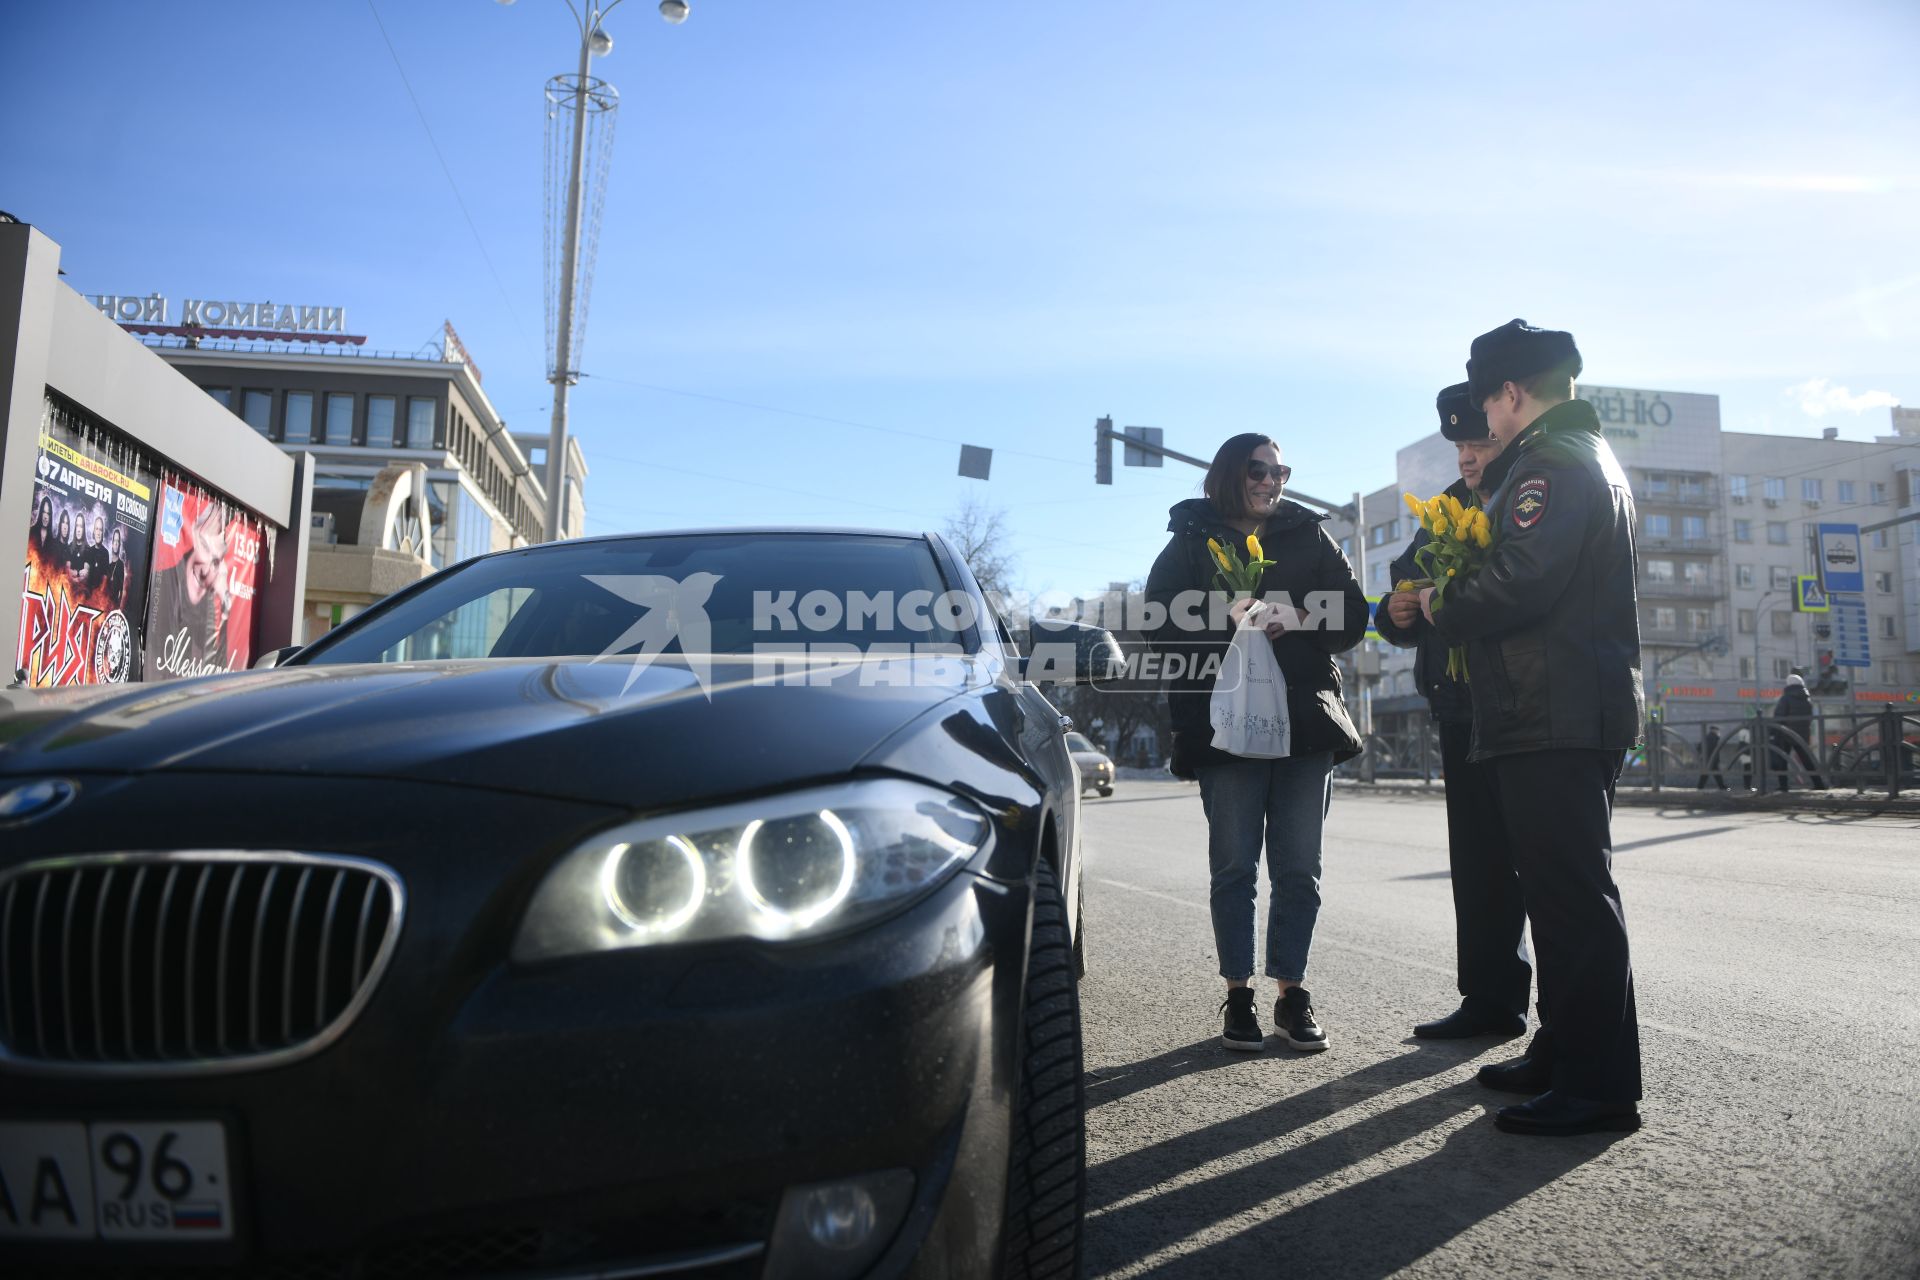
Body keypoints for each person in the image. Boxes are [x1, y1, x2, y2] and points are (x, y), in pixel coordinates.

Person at [1419, 319, 1644, 1137]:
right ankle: (1565, 1049)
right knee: (1559, 900)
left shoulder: (1547, 465)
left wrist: (1442, 602)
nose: (1487, 416)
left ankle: (1597, 1085)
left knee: (1573, 902)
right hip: (1559, 704)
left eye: (1487, 398)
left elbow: (1519, 580)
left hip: (1553, 710)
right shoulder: (1578, 455)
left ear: (1511, 393)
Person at [1146, 433, 1367, 1053]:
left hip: (1306, 722)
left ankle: (1291, 994)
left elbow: (1353, 614)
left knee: (1299, 868)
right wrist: (1227, 614)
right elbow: (1158, 620)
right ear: (1228, 475)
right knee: (1235, 866)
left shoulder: (1307, 534)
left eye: (1281, 470)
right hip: (1225, 725)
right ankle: (1238, 994)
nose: (1274, 480)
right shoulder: (1191, 538)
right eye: (1260, 470)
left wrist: (1295, 616)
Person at [1377, 384, 1531, 1041]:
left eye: (1479, 442)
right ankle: (1486, 1000)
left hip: (1517, 703)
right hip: (1457, 705)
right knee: (1475, 862)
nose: (1467, 457)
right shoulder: (1443, 508)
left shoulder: (1525, 497)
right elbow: (1405, 591)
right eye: (1461, 446)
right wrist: (1396, 613)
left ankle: (1554, 1017)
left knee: (1530, 861)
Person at [145, 503, 232, 680]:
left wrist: (224, 610)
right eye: (205, 547)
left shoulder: (208, 612)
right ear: (193, 532)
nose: (206, 569)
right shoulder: (162, 585)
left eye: (215, 561)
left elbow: (220, 678)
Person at [1768, 674, 1828, 790]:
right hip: (1802, 734)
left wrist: (1773, 730)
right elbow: (1810, 717)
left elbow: (1779, 716)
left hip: (1786, 733)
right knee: (1807, 759)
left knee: (1783, 759)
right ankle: (1818, 784)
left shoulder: (1786, 698)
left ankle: (1783, 786)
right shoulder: (1807, 699)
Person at [1695, 724, 1729, 791]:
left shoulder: (1707, 737)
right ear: (1714, 730)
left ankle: (1700, 787)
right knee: (1713, 774)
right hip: (1712, 759)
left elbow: (1699, 747)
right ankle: (1721, 786)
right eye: (1717, 730)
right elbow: (1715, 748)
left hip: (1707, 759)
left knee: (1706, 774)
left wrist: (1702, 755)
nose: (1718, 732)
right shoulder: (1714, 737)